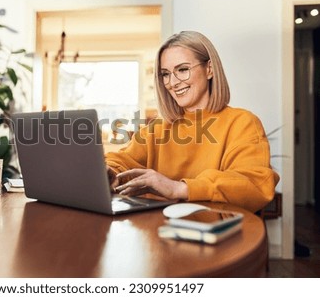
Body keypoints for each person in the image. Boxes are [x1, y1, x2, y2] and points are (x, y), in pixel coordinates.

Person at [105, 30, 279, 213]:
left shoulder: (242, 123)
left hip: (216, 233)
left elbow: (255, 185)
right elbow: (123, 160)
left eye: (182, 70)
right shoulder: (157, 128)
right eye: (165, 74)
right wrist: (109, 172)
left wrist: (179, 188)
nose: (172, 82)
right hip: (160, 232)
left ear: (209, 69)